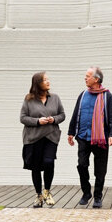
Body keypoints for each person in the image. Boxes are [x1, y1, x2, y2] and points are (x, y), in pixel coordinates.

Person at [67, 66, 112, 208]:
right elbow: (76, 113)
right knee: (82, 165)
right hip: (83, 136)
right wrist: (71, 132)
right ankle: (86, 192)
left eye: (87, 76)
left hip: (101, 138)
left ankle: (97, 197)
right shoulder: (83, 95)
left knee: (100, 170)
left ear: (96, 79)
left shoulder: (107, 96)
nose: (85, 78)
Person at [20, 72, 66, 208]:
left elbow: (62, 115)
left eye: (48, 79)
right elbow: (22, 118)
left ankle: (47, 191)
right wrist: (38, 121)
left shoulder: (55, 98)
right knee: (35, 167)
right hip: (33, 138)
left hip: (51, 136)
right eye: (45, 80)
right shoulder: (28, 100)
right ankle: (38, 195)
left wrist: (54, 119)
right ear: (37, 83)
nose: (48, 82)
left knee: (49, 161)